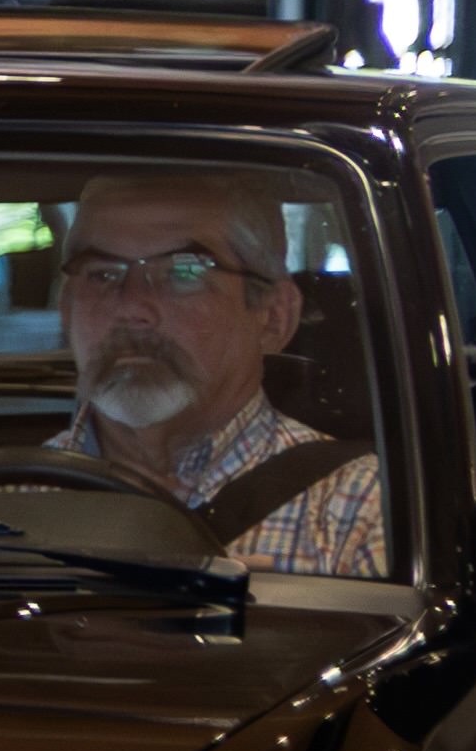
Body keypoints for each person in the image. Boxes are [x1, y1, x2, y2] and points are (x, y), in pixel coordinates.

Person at [46, 167, 383, 577]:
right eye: (102, 274)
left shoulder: (359, 511)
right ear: (66, 311)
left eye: (185, 271)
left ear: (273, 317)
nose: (132, 308)